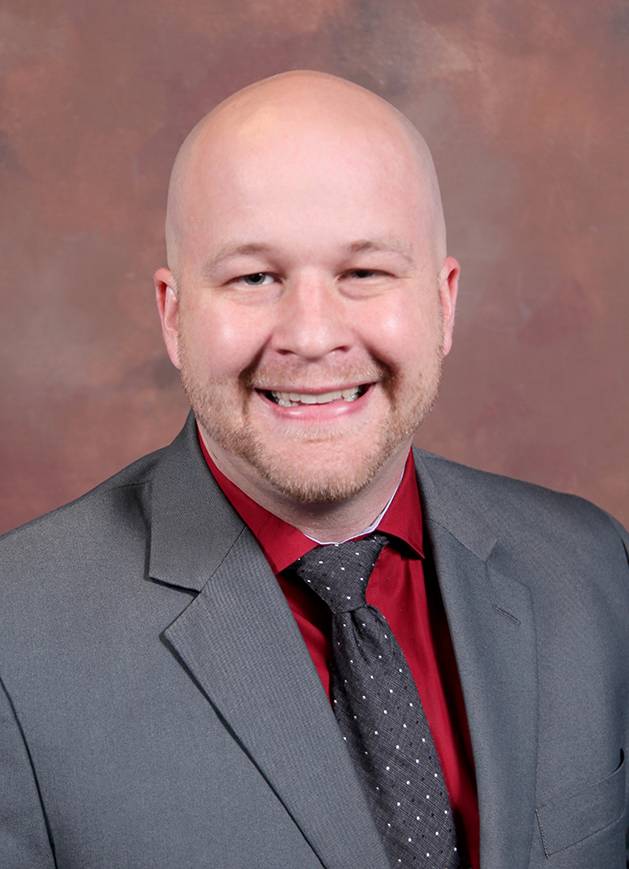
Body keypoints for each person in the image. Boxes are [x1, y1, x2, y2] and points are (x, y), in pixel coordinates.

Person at [0, 70, 627, 869]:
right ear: (173, 314)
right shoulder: (14, 644)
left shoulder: (595, 570)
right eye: (254, 277)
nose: (311, 334)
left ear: (444, 302)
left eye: (363, 272)